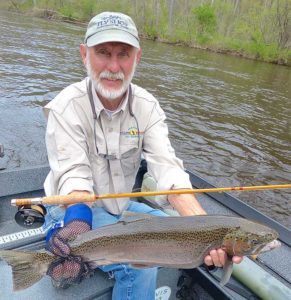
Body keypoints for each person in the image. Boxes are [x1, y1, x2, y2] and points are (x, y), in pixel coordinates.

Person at [43, 11, 242, 300]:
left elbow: (168, 169)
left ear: (137, 58)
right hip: (72, 213)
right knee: (141, 268)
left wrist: (206, 227)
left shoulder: (148, 107)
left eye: (123, 54)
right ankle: (79, 255)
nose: (114, 66)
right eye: (103, 53)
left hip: (121, 211)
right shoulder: (65, 107)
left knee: (171, 226)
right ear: (84, 54)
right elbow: (75, 176)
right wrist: (77, 222)